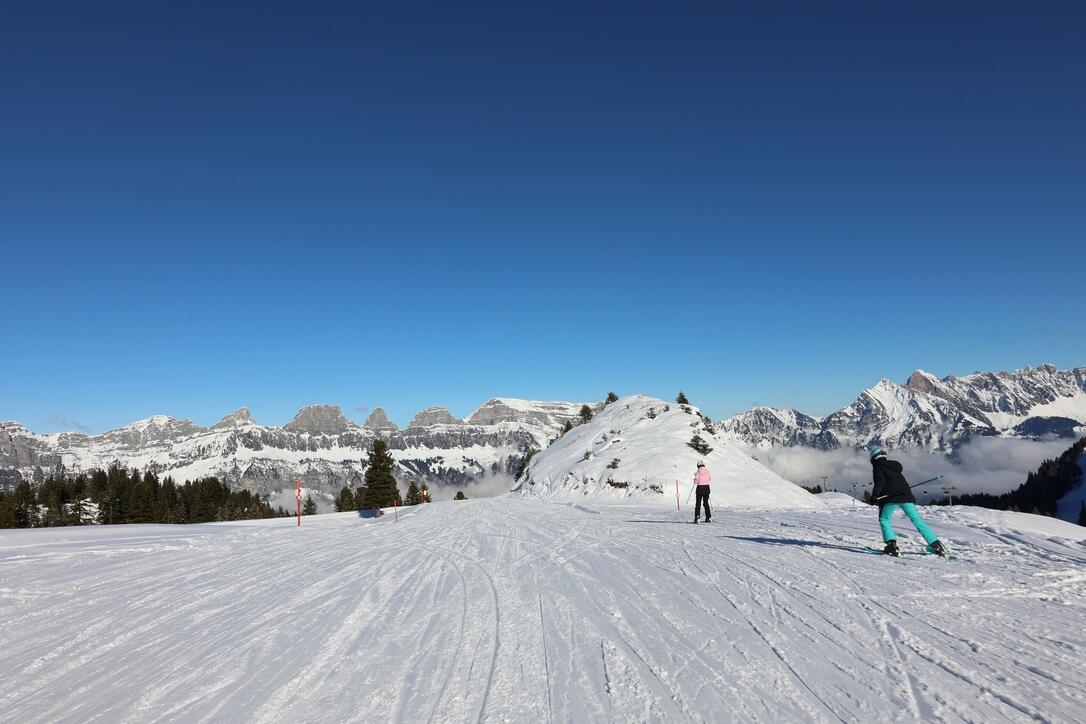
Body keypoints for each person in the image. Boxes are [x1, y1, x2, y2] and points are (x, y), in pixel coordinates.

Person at [868, 443, 946, 557]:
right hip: (906, 495)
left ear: (873, 459)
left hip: (890, 498)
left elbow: (880, 482)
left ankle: (891, 546)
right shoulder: (895, 467)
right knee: (917, 520)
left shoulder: (878, 467)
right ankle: (936, 544)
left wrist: (874, 496)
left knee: (884, 519)